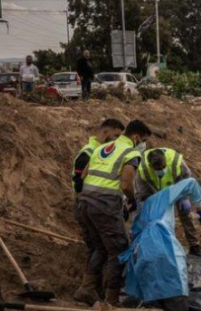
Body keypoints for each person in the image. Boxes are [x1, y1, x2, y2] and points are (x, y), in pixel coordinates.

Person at [74, 119, 151, 306]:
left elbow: (83, 175)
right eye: (143, 140)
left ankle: (87, 289)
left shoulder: (103, 147)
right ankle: (111, 300)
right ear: (136, 137)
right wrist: (131, 200)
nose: (143, 144)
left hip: (85, 202)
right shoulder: (130, 152)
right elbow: (126, 184)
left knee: (101, 247)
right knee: (119, 250)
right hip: (105, 205)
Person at [121, 178, 201, 311]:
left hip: (142, 254)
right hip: (165, 249)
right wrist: (199, 207)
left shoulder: (139, 209)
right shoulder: (161, 196)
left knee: (155, 298)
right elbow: (191, 183)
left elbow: (132, 233)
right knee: (176, 295)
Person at [71, 119, 125, 302]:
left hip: (88, 204)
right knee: (100, 248)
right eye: (116, 135)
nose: (118, 140)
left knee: (99, 248)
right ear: (105, 132)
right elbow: (79, 182)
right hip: (89, 205)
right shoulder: (90, 152)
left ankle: (92, 289)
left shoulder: (98, 152)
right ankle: (92, 290)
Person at [134, 148, 201, 257]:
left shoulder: (176, 161)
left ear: (165, 160)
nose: (161, 170)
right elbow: (142, 193)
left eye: (163, 167)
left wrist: (184, 197)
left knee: (185, 213)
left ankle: (194, 245)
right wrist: (142, 208)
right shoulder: (143, 169)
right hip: (155, 191)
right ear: (151, 166)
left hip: (176, 186)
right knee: (153, 218)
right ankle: (150, 246)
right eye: (157, 168)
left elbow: (188, 180)